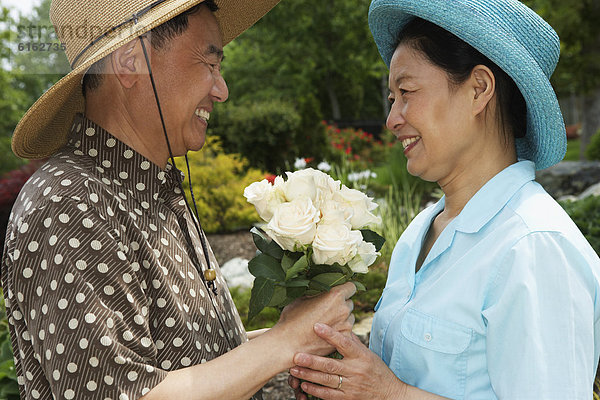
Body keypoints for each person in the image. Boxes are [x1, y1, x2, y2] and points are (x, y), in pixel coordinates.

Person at [1, 1, 357, 399]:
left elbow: (187, 357)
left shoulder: (149, 188)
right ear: (131, 61)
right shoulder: (69, 204)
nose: (221, 91)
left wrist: (298, 339)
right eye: (208, 64)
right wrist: (286, 342)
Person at [288, 0, 600, 399]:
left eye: (406, 92)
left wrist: (390, 394)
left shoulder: (533, 247)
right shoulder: (421, 231)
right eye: (391, 98)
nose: (392, 119)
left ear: (478, 89)